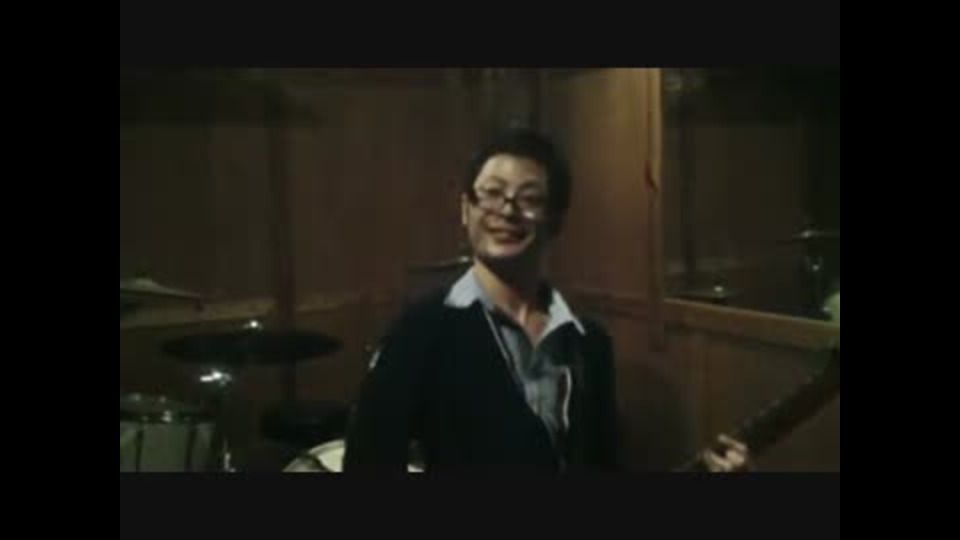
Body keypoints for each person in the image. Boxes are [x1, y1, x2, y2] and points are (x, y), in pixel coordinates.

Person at [342, 126, 749, 473]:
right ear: (466, 209)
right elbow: (366, 463)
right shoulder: (418, 333)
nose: (507, 210)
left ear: (555, 220)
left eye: (530, 198)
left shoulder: (589, 343)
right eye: (492, 194)